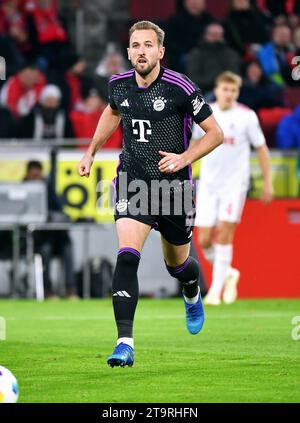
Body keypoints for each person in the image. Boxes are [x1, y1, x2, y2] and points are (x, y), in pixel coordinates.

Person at [77, 20, 223, 367]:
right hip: (133, 182)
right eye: (135, 45)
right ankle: (124, 343)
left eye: (147, 45)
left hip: (174, 189)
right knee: (127, 256)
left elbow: (216, 133)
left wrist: (185, 157)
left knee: (178, 265)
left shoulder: (180, 87)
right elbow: (112, 112)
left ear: (160, 51)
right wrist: (91, 150)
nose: (141, 51)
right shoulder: (118, 85)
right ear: (128, 52)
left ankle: (191, 290)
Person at [191, 71, 273, 306]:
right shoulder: (206, 113)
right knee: (204, 239)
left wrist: (267, 182)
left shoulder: (247, 116)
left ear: (237, 93)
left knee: (225, 233)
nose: (229, 94)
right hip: (208, 183)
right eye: (225, 89)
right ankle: (228, 273)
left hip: (235, 185)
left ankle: (215, 291)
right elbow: (196, 144)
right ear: (217, 90)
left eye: (233, 90)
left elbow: (262, 148)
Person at [24, 160, 78, 299]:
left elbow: (59, 209)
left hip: (55, 237)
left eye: (38, 175)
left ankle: (70, 289)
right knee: (45, 250)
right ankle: (47, 289)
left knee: (68, 247)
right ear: (28, 174)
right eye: (33, 175)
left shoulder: (47, 189)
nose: (36, 178)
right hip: (34, 239)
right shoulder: (22, 191)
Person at [186, 22, 241, 94]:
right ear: (205, 35)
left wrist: (222, 85)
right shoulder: (196, 53)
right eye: (212, 34)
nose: (215, 37)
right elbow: (192, 77)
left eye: (218, 35)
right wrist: (213, 82)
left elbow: (234, 75)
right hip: (203, 92)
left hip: (227, 90)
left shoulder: (230, 54)